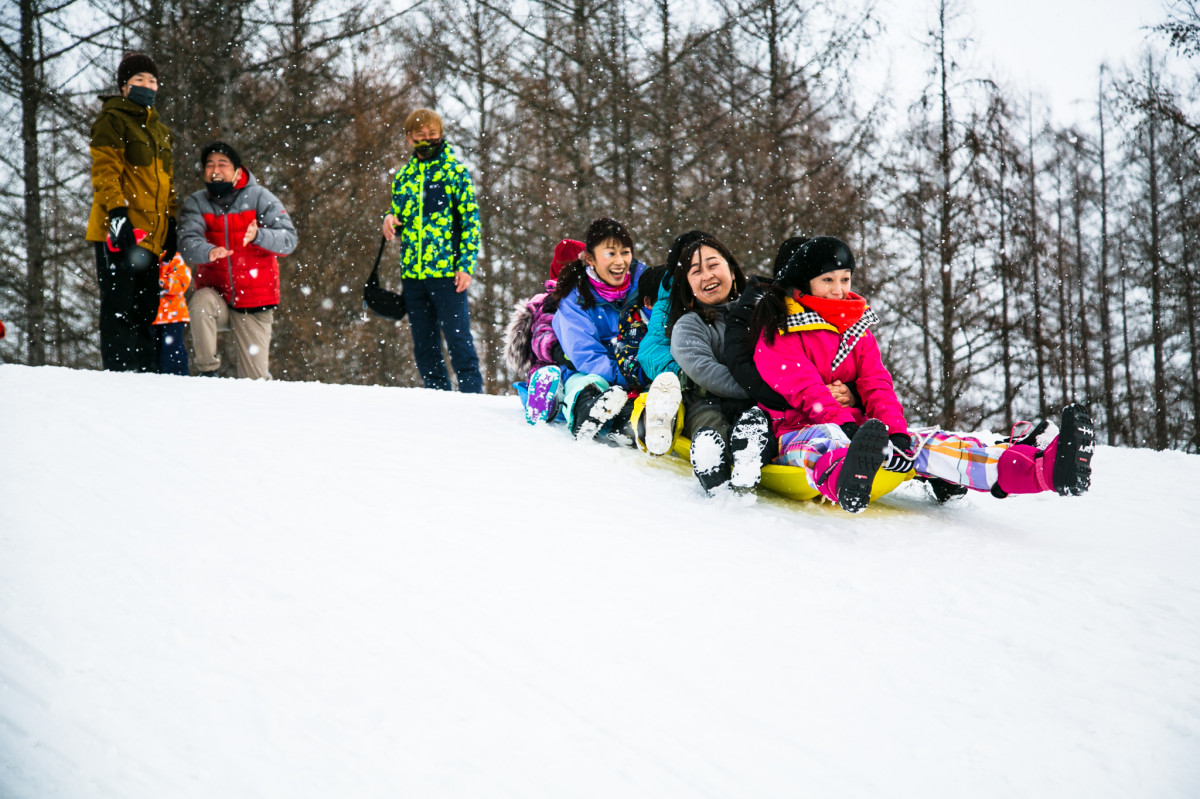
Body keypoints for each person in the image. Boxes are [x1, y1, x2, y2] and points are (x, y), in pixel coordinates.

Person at [751, 236, 1094, 512]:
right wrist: (847, 427)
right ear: (803, 286)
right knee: (824, 439)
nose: (840, 290)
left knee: (931, 445)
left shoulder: (856, 328)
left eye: (845, 279)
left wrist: (896, 434)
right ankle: (847, 478)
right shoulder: (778, 331)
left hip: (861, 433)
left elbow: (876, 384)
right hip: (795, 432)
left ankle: (1043, 471)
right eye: (827, 280)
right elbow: (807, 392)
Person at [86, 52, 177, 372]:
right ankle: (120, 375)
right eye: (139, 80)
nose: (147, 86)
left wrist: (172, 223)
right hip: (120, 230)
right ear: (124, 86)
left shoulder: (160, 132)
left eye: (152, 81)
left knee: (146, 307)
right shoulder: (112, 119)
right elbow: (106, 172)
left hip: (151, 236)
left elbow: (166, 183)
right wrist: (117, 213)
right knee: (119, 305)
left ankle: (144, 373)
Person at [661, 236, 773, 494]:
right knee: (711, 427)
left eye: (713, 265)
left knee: (757, 423)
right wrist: (760, 387)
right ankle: (712, 461)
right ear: (688, 285)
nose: (707, 275)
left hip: (756, 405)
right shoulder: (689, 326)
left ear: (732, 271)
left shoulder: (762, 314)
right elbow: (705, 371)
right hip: (707, 403)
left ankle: (750, 456)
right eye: (696, 271)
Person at [382, 108, 483, 393]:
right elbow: (399, 214)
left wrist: (466, 266)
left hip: (448, 273)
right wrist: (389, 219)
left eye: (432, 135)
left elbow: (470, 222)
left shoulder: (455, 172)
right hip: (414, 274)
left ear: (441, 135)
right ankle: (437, 397)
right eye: (420, 136)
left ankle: (472, 398)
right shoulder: (404, 177)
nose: (427, 140)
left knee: (458, 338)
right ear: (409, 139)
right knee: (424, 344)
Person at [178, 142, 297, 379]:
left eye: (222, 164)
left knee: (254, 383)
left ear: (238, 171)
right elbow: (187, 242)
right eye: (210, 165)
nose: (215, 169)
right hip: (217, 298)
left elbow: (288, 239)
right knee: (200, 303)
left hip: (254, 304)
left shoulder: (260, 197)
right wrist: (208, 251)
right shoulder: (197, 203)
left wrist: (258, 236)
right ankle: (207, 371)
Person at [550, 218, 648, 441]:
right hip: (593, 371)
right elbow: (585, 354)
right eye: (610, 253)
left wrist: (645, 371)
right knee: (586, 383)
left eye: (625, 252)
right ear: (590, 259)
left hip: (640, 370)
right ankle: (587, 411)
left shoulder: (645, 285)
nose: (620, 261)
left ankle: (631, 421)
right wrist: (627, 375)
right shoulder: (575, 298)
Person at [503, 239, 584, 424]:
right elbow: (542, 335)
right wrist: (557, 351)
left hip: (577, 366)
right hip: (550, 365)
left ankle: (563, 399)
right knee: (556, 380)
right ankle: (547, 398)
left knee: (576, 385)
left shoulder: (589, 301)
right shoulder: (551, 302)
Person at [153, 253, 191, 375]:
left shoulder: (173, 257)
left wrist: (164, 283)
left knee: (173, 355)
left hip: (173, 316)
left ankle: (178, 381)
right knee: (152, 356)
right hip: (150, 316)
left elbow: (183, 281)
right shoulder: (143, 255)